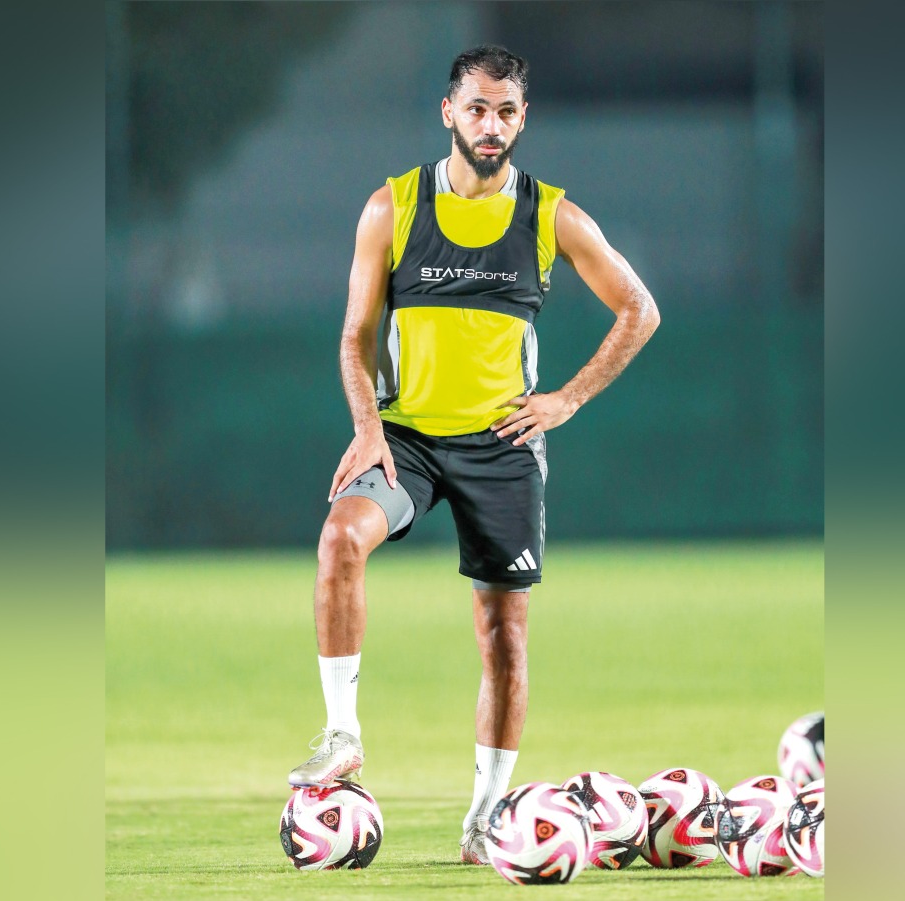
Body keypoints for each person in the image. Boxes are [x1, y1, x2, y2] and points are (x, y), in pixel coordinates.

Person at [287, 44, 660, 864]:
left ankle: (487, 817)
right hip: (406, 439)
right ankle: (343, 733)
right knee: (341, 537)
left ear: (522, 120)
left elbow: (640, 309)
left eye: (507, 112)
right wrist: (367, 425)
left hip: (502, 446)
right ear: (448, 111)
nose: (491, 125)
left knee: (504, 634)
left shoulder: (552, 215)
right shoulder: (393, 205)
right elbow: (353, 338)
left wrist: (566, 399)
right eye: (477, 108)